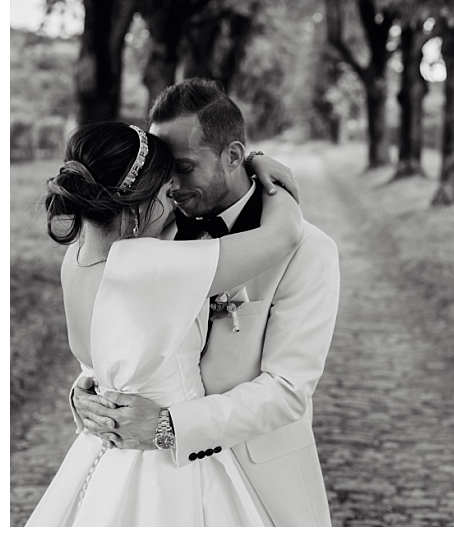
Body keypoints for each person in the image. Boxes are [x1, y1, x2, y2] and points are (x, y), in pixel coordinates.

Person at [66, 78, 340, 526]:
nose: (170, 186)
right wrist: (91, 389)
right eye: (161, 170)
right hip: (157, 480)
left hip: (264, 477)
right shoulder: (153, 230)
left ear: (233, 156)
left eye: (184, 167)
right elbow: (124, 328)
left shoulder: (309, 250)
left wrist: (171, 426)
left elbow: (288, 391)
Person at [27, 121, 304, 525]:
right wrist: (257, 165)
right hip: (171, 469)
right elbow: (285, 234)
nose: (173, 199)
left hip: (103, 456)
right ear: (137, 205)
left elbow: (104, 362)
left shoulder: (75, 259)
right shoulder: (151, 267)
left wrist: (81, 395)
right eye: (163, 190)